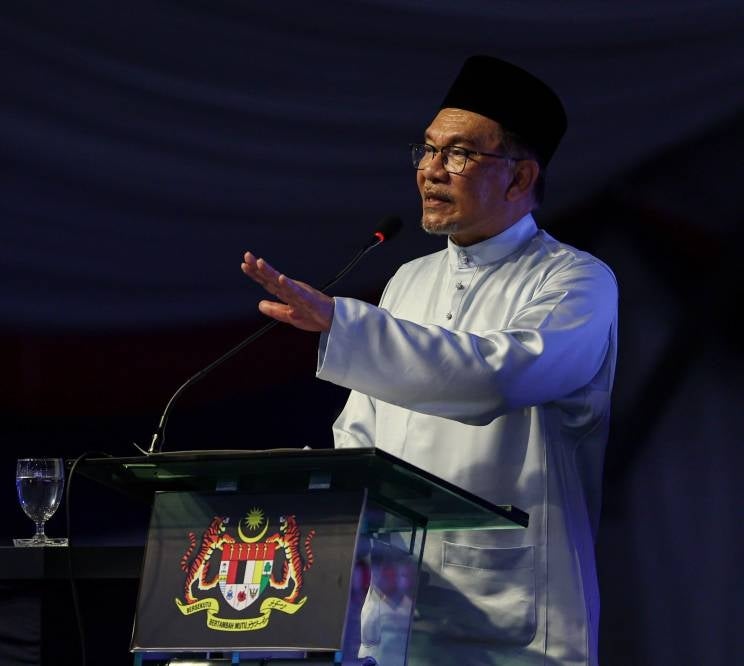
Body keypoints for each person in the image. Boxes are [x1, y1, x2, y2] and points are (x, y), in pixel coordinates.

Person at [241, 55, 618, 665]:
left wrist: (343, 323)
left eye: (459, 154)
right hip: (395, 603)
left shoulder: (577, 281)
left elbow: (498, 377)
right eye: (426, 149)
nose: (429, 170)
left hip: (512, 617)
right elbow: (362, 430)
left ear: (520, 179)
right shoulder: (407, 280)